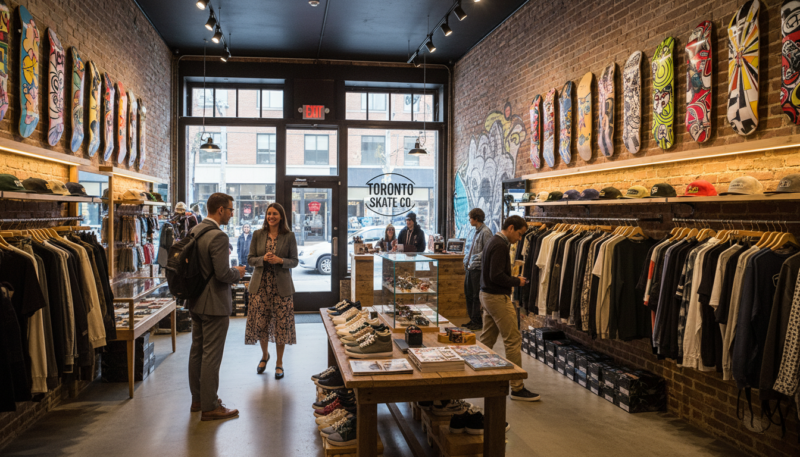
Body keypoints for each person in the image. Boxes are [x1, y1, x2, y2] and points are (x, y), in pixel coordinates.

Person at [187, 193, 247, 421]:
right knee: (211, 355)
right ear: (220, 210)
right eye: (230, 210)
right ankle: (210, 406)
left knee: (197, 351)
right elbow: (223, 274)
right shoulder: (218, 236)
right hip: (214, 304)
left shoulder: (195, 230)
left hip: (195, 300)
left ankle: (198, 400)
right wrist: (238, 273)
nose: (232, 214)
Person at [479, 215, 540, 402]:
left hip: (487, 295)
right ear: (511, 228)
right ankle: (517, 387)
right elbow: (496, 275)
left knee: (486, 339)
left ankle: (476, 376)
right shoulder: (500, 245)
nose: (519, 239)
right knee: (513, 340)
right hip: (497, 297)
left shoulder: (493, 241)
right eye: (519, 234)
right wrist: (516, 281)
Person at [246, 202, 298, 380]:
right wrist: (263, 259)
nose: (271, 217)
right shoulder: (257, 234)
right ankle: (264, 355)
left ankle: (279, 362)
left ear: (281, 216)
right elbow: (250, 259)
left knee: (281, 326)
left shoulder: (289, 236)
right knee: (262, 324)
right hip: (260, 287)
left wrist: (280, 261)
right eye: (269, 213)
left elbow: (294, 261)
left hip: (281, 288)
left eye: (275, 213)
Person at [463, 208, 492, 331]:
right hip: (470, 267)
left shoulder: (486, 232)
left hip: (478, 268)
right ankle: (472, 319)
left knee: (475, 296)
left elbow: (487, 251)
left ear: (476, 218)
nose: (469, 220)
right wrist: (466, 259)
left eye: (470, 218)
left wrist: (474, 258)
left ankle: (477, 321)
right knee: (469, 294)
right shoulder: (475, 231)